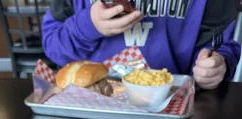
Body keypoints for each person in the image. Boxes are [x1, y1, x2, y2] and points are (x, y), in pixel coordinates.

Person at [42, 0, 241, 90]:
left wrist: (218, 64)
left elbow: (222, 47)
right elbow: (52, 46)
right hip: (88, 111)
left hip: (174, 111)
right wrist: (89, 25)